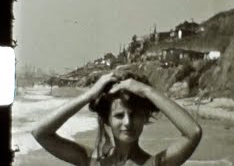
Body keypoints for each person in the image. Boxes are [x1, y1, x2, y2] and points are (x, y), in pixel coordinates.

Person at [31, 71, 202, 166]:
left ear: (144, 117)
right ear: (107, 120)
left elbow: (193, 132)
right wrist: (88, 95)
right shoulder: (90, 160)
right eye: (119, 115)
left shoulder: (153, 164)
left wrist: (146, 91)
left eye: (134, 114)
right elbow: (40, 132)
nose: (127, 122)